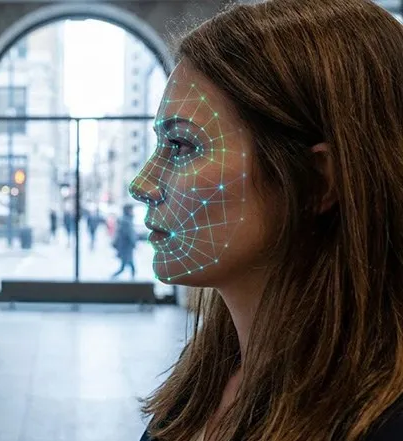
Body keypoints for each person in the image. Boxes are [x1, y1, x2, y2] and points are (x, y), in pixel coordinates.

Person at [131, 1, 403, 440]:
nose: (143, 184)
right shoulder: (206, 377)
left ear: (317, 182)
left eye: (181, 146)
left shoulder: (384, 422)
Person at [111, 205, 137, 279]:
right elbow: (129, 234)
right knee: (127, 264)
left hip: (125, 246)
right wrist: (134, 243)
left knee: (128, 263)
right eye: (131, 210)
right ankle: (113, 277)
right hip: (126, 247)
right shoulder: (126, 221)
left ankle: (132, 278)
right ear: (128, 211)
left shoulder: (125, 220)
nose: (133, 212)